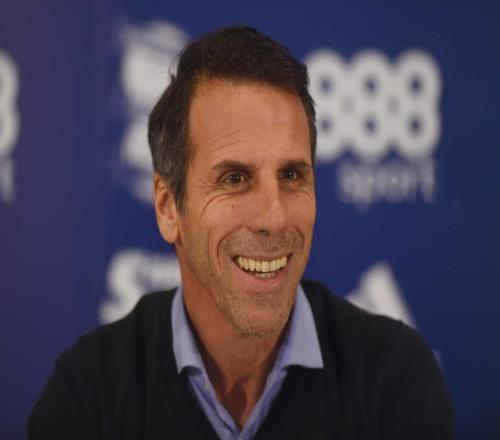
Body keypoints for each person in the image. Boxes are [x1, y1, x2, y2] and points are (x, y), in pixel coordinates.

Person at [28, 26, 453, 439]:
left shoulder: (395, 380)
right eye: (234, 179)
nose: (274, 217)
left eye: (291, 175)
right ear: (167, 207)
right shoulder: (87, 397)